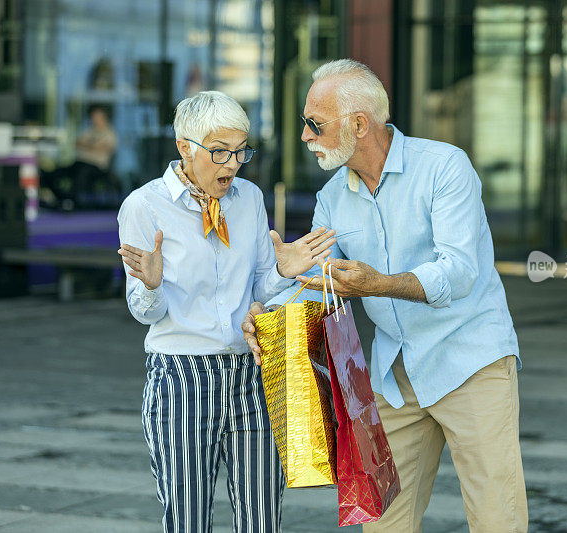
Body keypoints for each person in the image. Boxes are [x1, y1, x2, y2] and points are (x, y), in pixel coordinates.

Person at [241, 60, 528, 532]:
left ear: (359, 124)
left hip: (472, 361)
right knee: (381, 521)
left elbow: (458, 273)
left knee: (498, 518)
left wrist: (377, 284)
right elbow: (318, 281)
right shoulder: (332, 196)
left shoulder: (444, 166)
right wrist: (272, 308)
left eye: (315, 124)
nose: (305, 137)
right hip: (394, 376)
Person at [117, 90, 336, 532]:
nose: (233, 164)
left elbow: (258, 288)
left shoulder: (249, 198)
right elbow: (144, 313)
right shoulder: (145, 205)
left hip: (251, 372)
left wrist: (283, 269)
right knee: (188, 519)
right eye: (219, 152)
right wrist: (151, 285)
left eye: (241, 152)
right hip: (181, 377)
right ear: (184, 147)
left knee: (262, 519)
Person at [42, 105, 118, 209]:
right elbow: (76, 143)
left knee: (81, 174)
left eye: (97, 116)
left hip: (96, 167)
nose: (94, 119)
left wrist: (86, 146)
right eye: (93, 116)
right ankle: (63, 199)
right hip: (78, 163)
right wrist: (90, 146)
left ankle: (73, 202)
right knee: (53, 174)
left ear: (104, 117)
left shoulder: (109, 133)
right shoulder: (89, 131)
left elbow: (100, 147)